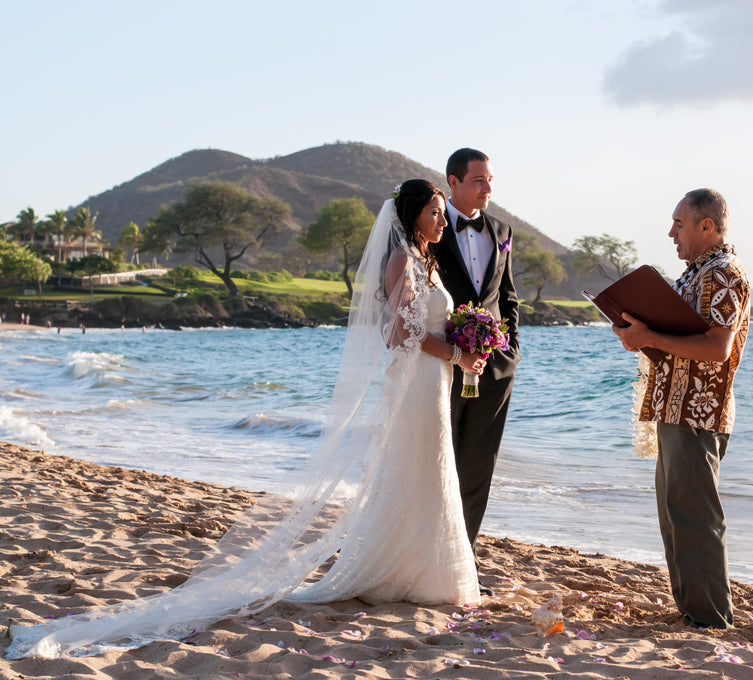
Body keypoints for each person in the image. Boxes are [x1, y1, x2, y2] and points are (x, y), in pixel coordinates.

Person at [6, 180, 487, 659]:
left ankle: (427, 569)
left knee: (431, 468)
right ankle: (401, 571)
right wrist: (457, 354)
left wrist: (462, 350)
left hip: (432, 381)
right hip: (416, 383)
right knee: (415, 465)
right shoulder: (401, 260)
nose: (442, 220)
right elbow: (399, 332)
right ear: (410, 216)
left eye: (442, 213)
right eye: (433, 212)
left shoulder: (427, 260)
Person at [612, 188, 750, 630]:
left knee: (696, 517)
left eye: (679, 223)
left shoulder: (723, 273)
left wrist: (649, 337)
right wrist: (638, 332)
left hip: (699, 412)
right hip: (674, 407)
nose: (671, 232)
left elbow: (716, 348)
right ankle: (694, 611)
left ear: (706, 226)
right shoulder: (695, 273)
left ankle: (712, 619)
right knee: (675, 515)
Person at [435, 148, 520, 593]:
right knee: (437, 462)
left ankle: (462, 565)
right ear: (453, 182)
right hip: (441, 368)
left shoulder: (503, 231)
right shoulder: (427, 226)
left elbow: (507, 299)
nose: (487, 189)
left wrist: (510, 351)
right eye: (478, 181)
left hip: (494, 370)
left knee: (477, 467)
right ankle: (429, 557)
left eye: (490, 180)